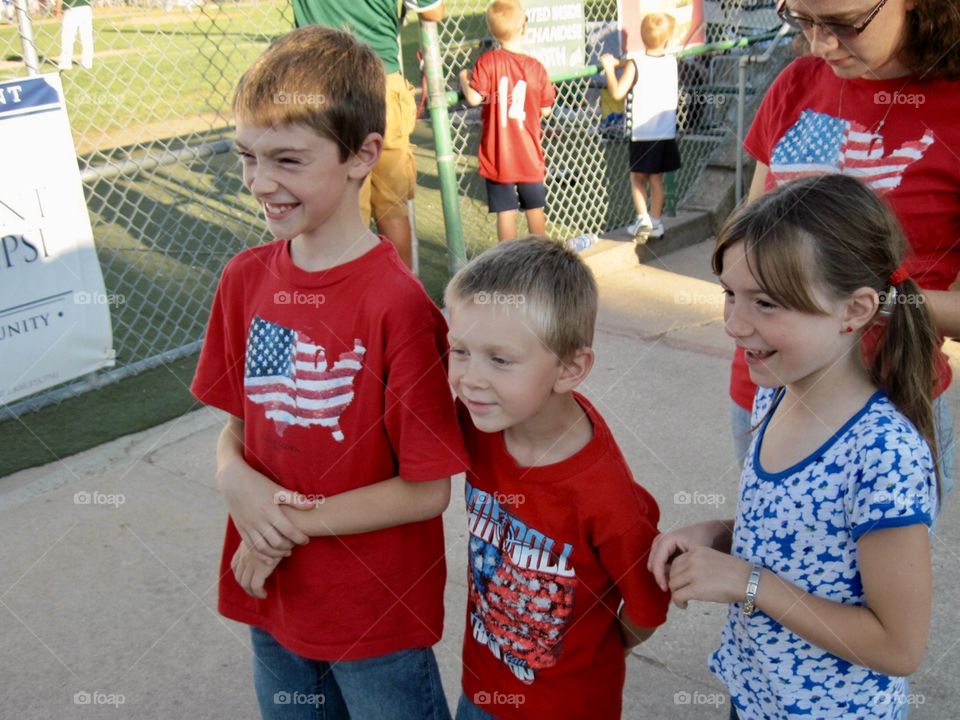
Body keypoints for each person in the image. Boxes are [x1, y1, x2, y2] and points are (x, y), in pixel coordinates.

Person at [190, 26, 468, 720]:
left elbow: (425, 491)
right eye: (247, 157)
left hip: (373, 615)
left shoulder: (396, 305)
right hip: (272, 595)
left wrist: (283, 517)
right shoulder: (247, 281)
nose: (260, 183)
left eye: (287, 159)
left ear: (362, 155)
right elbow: (240, 429)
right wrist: (234, 480)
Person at [649, 174, 939, 719]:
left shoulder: (883, 454)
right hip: (756, 698)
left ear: (854, 310)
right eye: (730, 294)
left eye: (765, 303)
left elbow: (900, 646)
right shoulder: (777, 395)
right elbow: (808, 542)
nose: (734, 324)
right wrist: (721, 535)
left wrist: (749, 582)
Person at [730, 0, 960, 500]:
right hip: (766, 392)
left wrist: (870, 300)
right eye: (801, 19)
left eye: (844, 23)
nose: (820, 44)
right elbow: (746, 239)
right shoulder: (797, 82)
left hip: (889, 405)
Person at [444, 238, 670, 719]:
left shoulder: (605, 496)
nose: (470, 378)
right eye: (460, 350)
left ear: (571, 368)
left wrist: (588, 655)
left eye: (500, 359)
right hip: (481, 690)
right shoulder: (479, 420)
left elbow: (644, 612)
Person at [291, 1, 446, 269]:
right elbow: (433, 9)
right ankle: (400, 298)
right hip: (382, 78)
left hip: (324, 84)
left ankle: (352, 302)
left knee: (345, 211)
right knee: (392, 207)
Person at [458, 0, 556, 242]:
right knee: (535, 208)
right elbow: (546, 110)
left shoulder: (488, 61)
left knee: (506, 211)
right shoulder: (536, 67)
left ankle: (508, 258)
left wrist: (463, 78)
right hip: (529, 152)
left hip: (499, 153)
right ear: (524, 27)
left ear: (492, 32)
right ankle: (541, 253)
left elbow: (473, 98)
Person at [600, 12, 681, 243]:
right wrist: (625, 61)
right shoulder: (671, 61)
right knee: (656, 179)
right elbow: (644, 61)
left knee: (637, 178)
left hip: (642, 134)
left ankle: (642, 218)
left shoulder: (636, 64)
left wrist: (609, 68)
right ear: (667, 40)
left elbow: (617, 92)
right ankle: (656, 222)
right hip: (665, 134)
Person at [56, 0, 93, 71]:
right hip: (85, 7)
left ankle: (65, 62)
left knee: (67, 37)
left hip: (71, 8)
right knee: (86, 36)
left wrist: (58, 10)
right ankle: (87, 62)